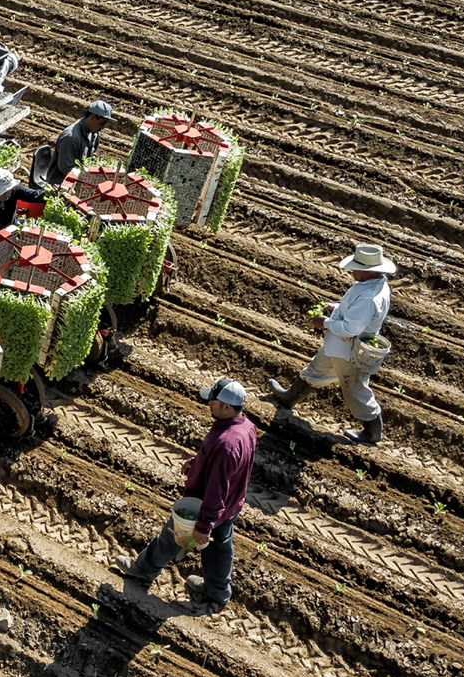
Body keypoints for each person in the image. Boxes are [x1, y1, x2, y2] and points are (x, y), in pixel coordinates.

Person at [115, 379, 258, 613]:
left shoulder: (226, 444)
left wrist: (204, 524)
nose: (209, 403)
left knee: (172, 536)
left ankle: (142, 570)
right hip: (231, 505)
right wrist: (198, 462)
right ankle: (218, 591)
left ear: (227, 407)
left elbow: (217, 486)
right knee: (221, 547)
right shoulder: (245, 426)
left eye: (214, 401)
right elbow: (230, 466)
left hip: (205, 506)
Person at [268, 243, 395, 445]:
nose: (352, 271)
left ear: (368, 270)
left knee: (355, 389)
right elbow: (353, 311)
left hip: (349, 352)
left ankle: (372, 431)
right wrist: (335, 307)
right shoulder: (372, 284)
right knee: (316, 369)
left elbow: (351, 328)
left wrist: (324, 322)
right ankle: (288, 398)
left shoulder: (370, 297)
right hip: (338, 346)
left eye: (355, 267)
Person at [47, 99, 114, 187]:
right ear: (93, 117)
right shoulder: (71, 137)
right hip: (61, 185)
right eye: (101, 123)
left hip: (79, 181)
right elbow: (67, 169)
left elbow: (91, 157)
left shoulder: (94, 134)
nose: (103, 127)